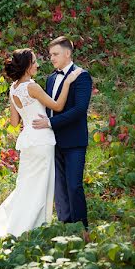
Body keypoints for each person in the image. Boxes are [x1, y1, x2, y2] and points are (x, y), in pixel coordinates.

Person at [0, 48, 81, 241]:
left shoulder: (13, 88)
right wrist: (67, 82)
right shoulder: (32, 87)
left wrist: (29, 114)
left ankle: (19, 227)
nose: (37, 65)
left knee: (25, 187)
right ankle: (33, 230)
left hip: (28, 141)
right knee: (41, 187)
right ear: (26, 66)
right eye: (34, 62)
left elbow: (14, 123)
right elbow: (57, 106)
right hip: (41, 140)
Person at [31, 36, 93, 233]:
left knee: (74, 186)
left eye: (55, 54)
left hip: (74, 141)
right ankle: (66, 229)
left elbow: (79, 110)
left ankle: (82, 230)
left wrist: (50, 123)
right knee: (60, 190)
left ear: (68, 53)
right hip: (53, 141)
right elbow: (50, 107)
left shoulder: (82, 76)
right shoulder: (51, 78)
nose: (52, 58)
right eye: (50, 55)